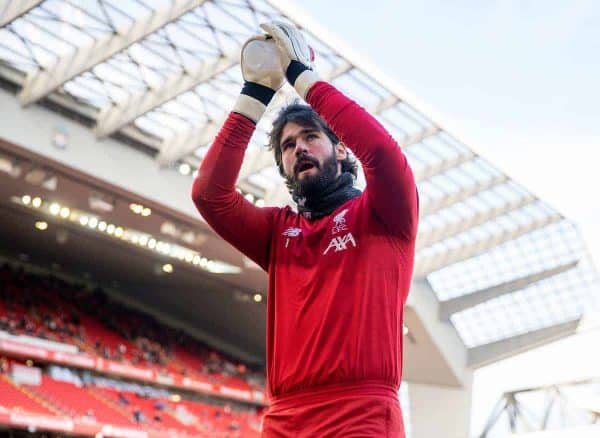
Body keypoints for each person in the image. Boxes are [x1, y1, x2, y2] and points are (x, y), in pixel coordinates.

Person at [192, 21, 418, 437]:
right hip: (285, 420)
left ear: (342, 147)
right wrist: (255, 93)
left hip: (361, 415)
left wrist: (304, 79)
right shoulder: (278, 232)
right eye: (288, 145)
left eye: (311, 136)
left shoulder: (384, 213)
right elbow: (210, 194)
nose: (299, 147)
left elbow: (383, 153)